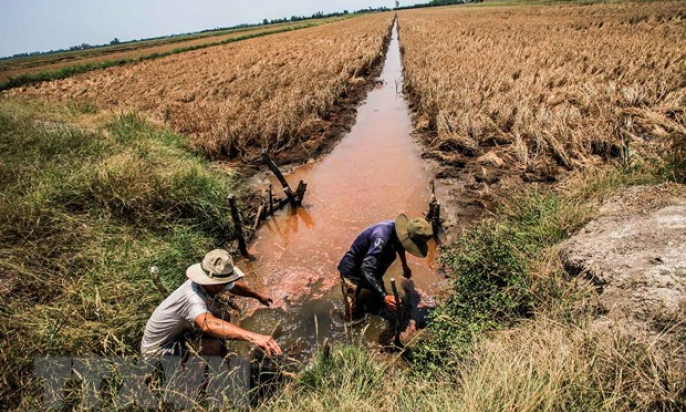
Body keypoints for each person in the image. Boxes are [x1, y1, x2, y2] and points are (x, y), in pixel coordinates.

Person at [141, 249, 282, 358]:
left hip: (179, 332)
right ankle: (204, 381)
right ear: (211, 283)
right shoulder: (193, 297)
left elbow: (234, 286)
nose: (225, 286)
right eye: (221, 284)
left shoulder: (211, 283)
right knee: (212, 348)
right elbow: (208, 324)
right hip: (159, 350)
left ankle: (219, 355)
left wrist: (257, 296)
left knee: (224, 315)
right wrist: (253, 336)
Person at [338, 214, 433, 320]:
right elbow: (366, 269)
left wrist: (404, 265)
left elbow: (400, 246)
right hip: (353, 272)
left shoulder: (400, 233)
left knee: (377, 302)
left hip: (373, 269)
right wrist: (384, 296)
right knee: (352, 314)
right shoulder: (381, 238)